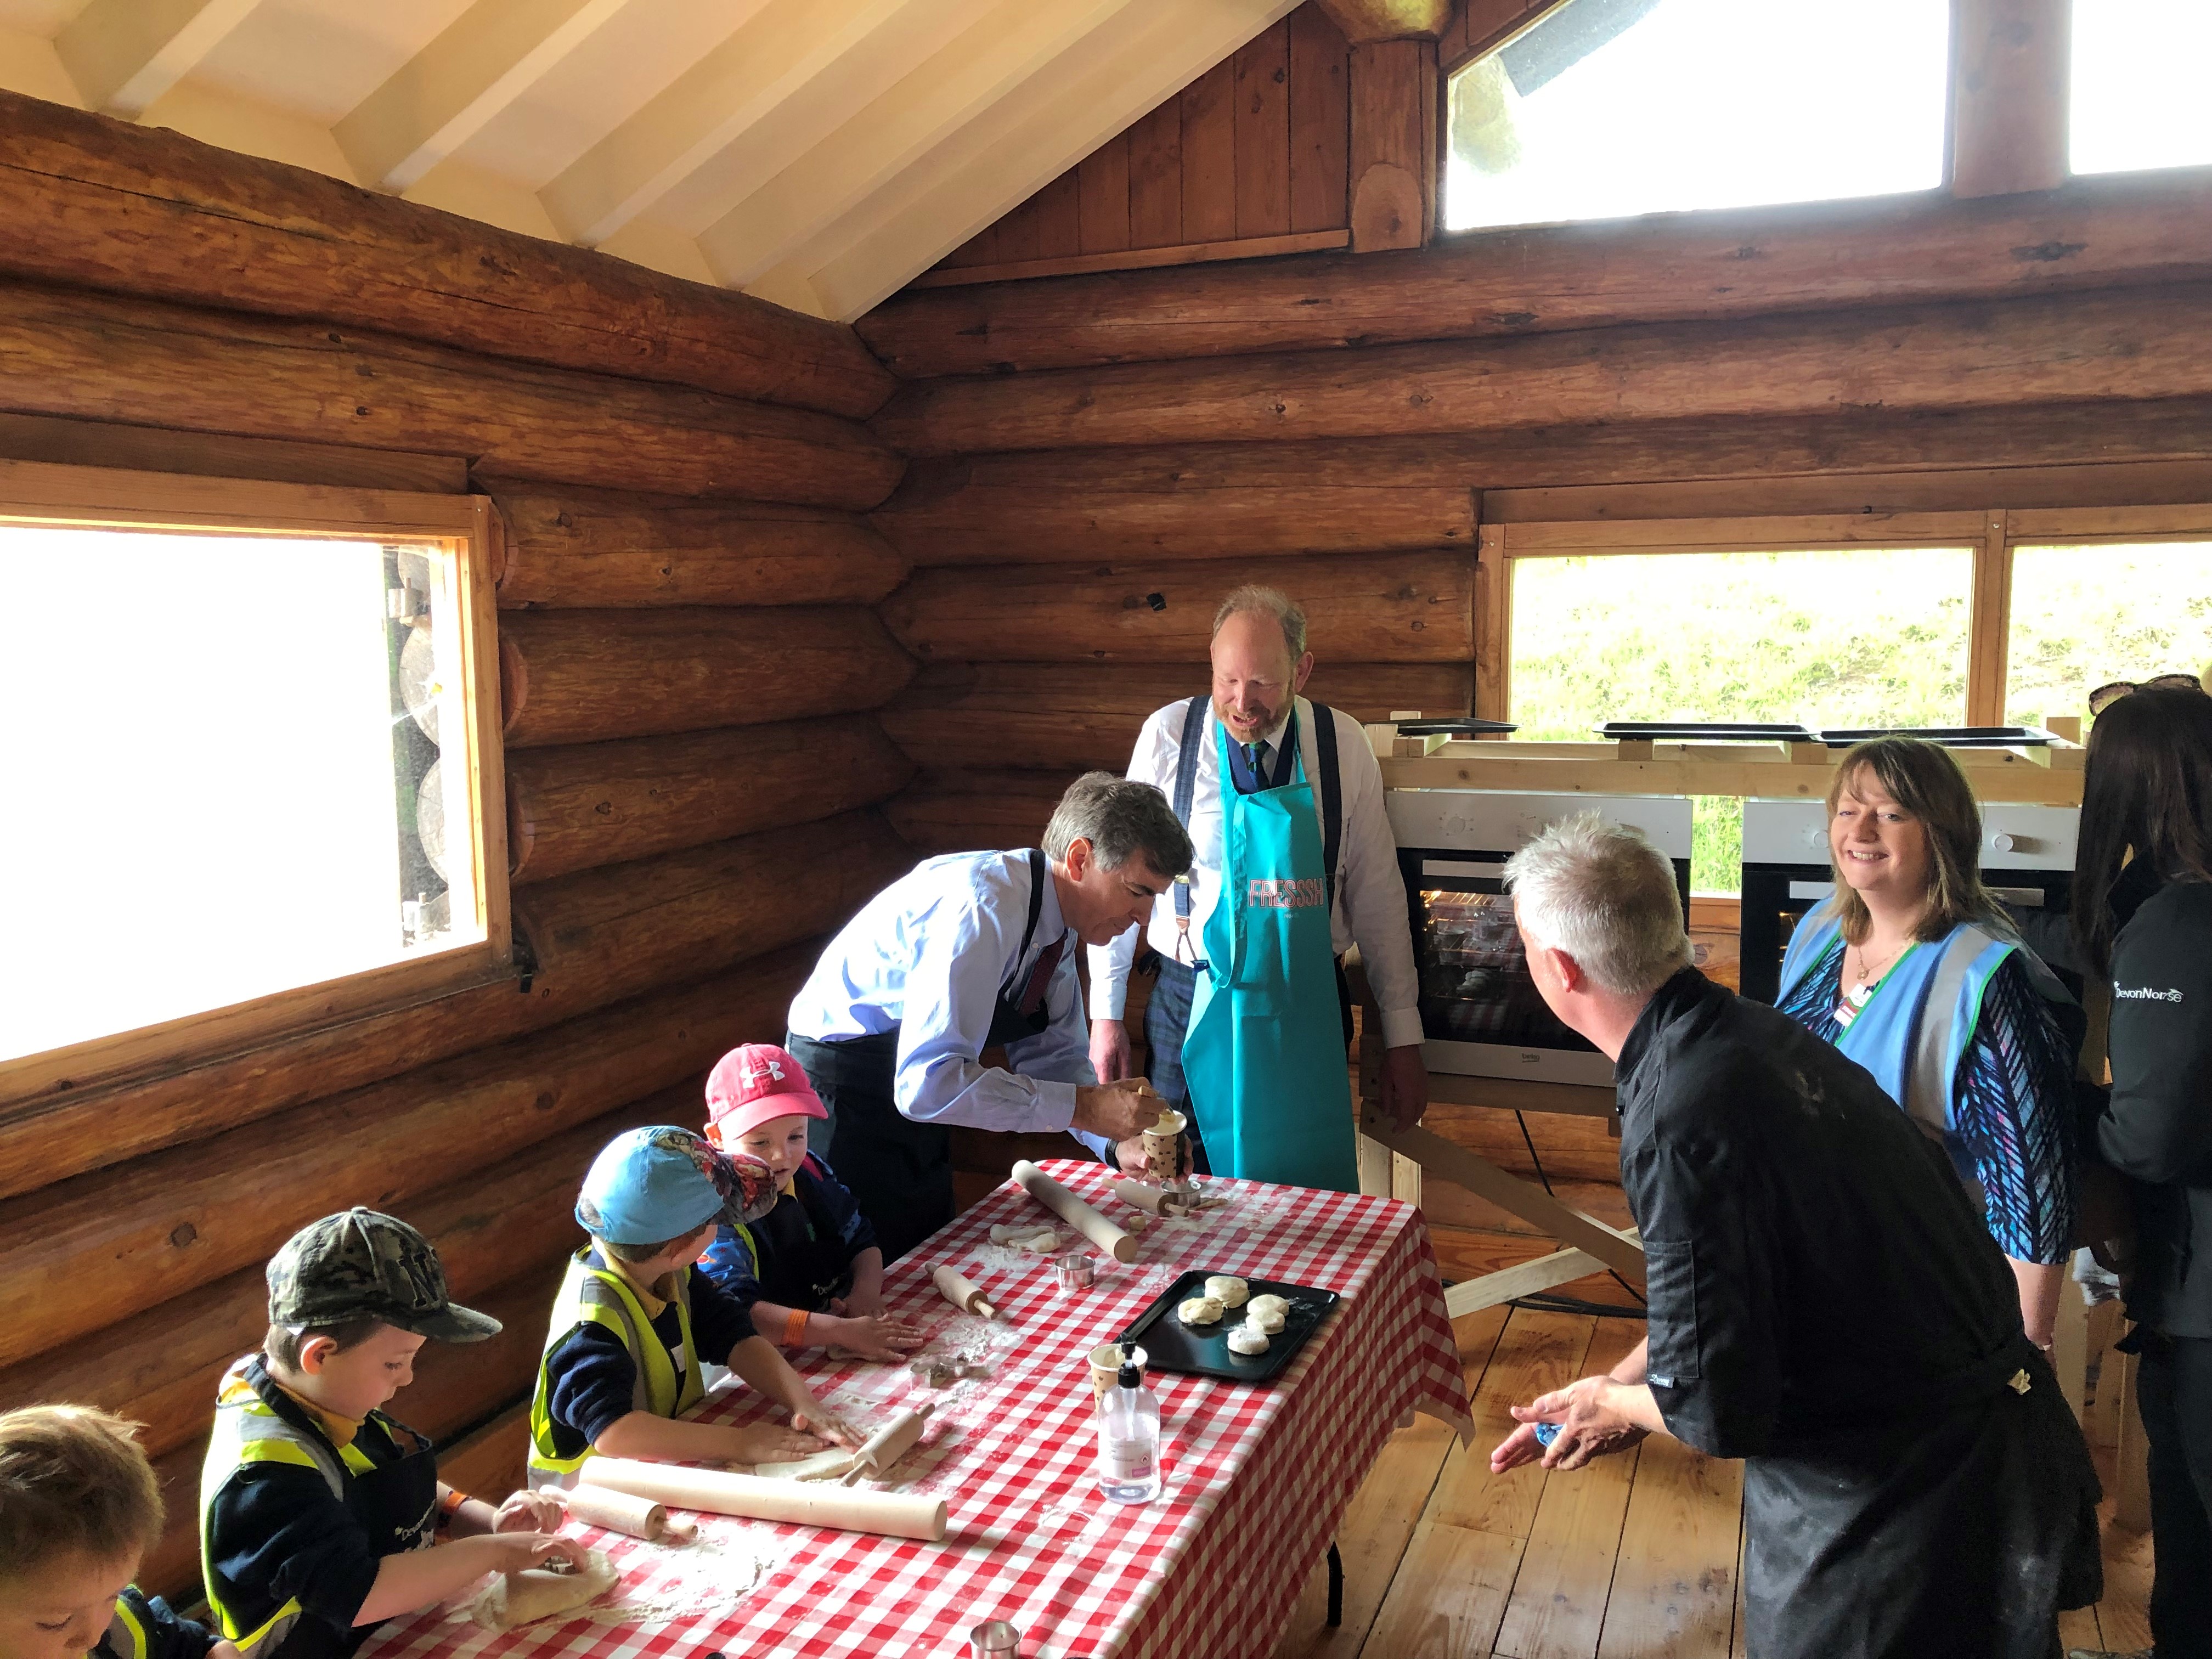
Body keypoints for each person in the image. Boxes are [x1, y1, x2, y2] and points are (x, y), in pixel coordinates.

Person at [1490, 814, 2101, 1659]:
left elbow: (1715, 1410)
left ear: (1559, 970)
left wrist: (1612, 1403)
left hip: (1897, 1500)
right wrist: (1623, 1383)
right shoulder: (1742, 1032)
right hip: (1958, 1447)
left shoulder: (1681, 1116)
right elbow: (1720, 1316)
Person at [1087, 585, 1426, 1193]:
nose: (1242, 703)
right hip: (1188, 998)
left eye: (1264, 684)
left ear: (1301, 669)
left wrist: (1403, 1036)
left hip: (1306, 1001)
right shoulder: (1169, 736)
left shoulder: (1342, 744)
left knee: (1299, 1191)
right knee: (1175, 1182)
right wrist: (1105, 1014)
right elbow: (1114, 884)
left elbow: (1378, 898)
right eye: (1227, 681)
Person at [786, 771, 1191, 1260]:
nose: (1144, 919)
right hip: (846, 1093)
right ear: (1081, 859)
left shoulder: (1059, 925)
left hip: (917, 1100)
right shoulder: (984, 907)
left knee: (923, 1260)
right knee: (864, 1274)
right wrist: (1086, 1108)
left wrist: (1115, 1142)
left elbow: (1055, 1061)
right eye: (1138, 892)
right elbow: (928, 1085)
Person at [1774, 736, 2080, 1350]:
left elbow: (2033, 1187)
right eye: (1847, 809)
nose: (1861, 828)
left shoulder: (1984, 977)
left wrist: (2023, 1361)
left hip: (1924, 1295)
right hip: (1810, 1268)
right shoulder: (1820, 931)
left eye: (1890, 813)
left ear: (1941, 835)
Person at [199, 1210, 586, 1659]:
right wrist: (494, 1552)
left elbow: (381, 1487)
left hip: (395, 1633)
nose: (407, 1379)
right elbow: (358, 1594)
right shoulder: (266, 1474)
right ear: (320, 1355)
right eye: (394, 1364)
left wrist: (486, 1521)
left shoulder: (320, 1397)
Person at [2054, 685, 2212, 1659]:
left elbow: (2151, 1134)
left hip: (2203, 1304)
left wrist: (2057, 1135)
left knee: (2196, 1528)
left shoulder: (2177, 922)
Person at [528, 1126, 854, 1487]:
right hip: (585, 1499)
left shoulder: (671, 1272)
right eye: (717, 1219)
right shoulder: (590, 1324)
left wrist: (802, 1402)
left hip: (660, 1470)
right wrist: (738, 1443)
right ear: (680, 1247)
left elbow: (733, 1334)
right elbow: (614, 1431)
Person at [696, 1043, 923, 1363]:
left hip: (827, 1332)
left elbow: (861, 1240)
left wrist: (865, 1295)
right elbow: (738, 1312)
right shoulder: (712, 1213)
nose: (782, 1157)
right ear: (717, 1138)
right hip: (759, 1361)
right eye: (760, 1142)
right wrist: (836, 1331)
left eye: (796, 1136)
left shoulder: (811, 1172)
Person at [0, 1404, 234, 1659]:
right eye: (58, 1621)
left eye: (112, 1596)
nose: (93, 1636)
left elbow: (196, 1649)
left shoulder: (120, 1627)